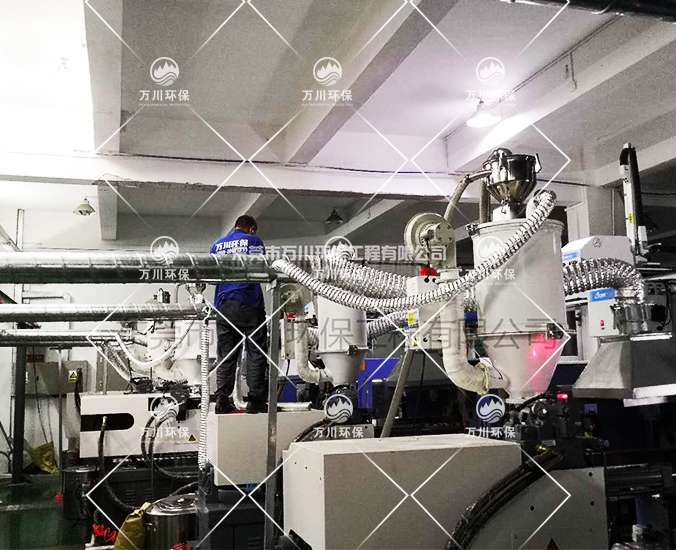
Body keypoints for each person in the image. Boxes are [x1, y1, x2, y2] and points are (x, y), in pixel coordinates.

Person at [211, 215, 268, 414]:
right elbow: (261, 269)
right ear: (251, 229)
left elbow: (212, 275)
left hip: (223, 306)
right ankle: (255, 400)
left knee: (226, 354)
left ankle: (221, 399)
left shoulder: (216, 245)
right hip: (249, 302)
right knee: (256, 352)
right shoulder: (254, 241)